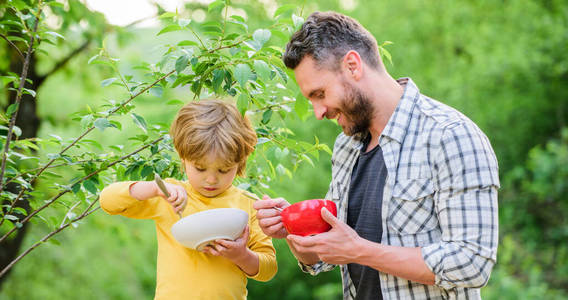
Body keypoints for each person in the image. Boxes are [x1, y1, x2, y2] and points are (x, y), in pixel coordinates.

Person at [253, 11, 499, 300]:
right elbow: (327, 256)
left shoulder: (450, 136)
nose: (318, 112)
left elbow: (472, 263)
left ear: (353, 66)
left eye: (320, 94)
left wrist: (360, 250)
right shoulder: (347, 147)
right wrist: (298, 231)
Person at [100, 99, 277, 299]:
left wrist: (242, 255)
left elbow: (268, 269)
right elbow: (107, 201)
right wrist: (153, 188)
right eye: (200, 168)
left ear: (240, 162)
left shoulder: (248, 204)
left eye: (224, 170)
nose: (211, 179)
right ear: (183, 157)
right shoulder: (169, 195)